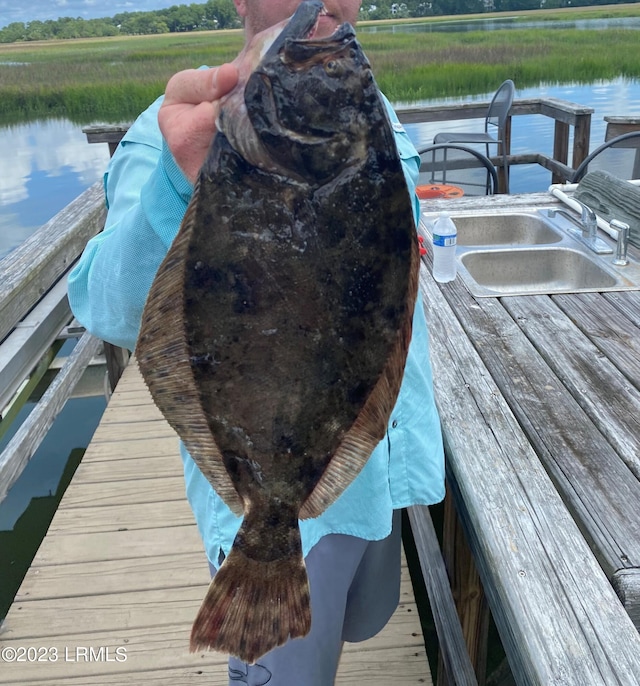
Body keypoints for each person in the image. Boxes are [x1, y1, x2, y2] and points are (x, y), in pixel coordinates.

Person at [68, 0, 445, 683]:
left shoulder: (368, 109)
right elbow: (105, 306)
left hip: (382, 465)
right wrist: (181, 176)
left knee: (363, 619)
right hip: (279, 502)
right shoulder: (173, 136)